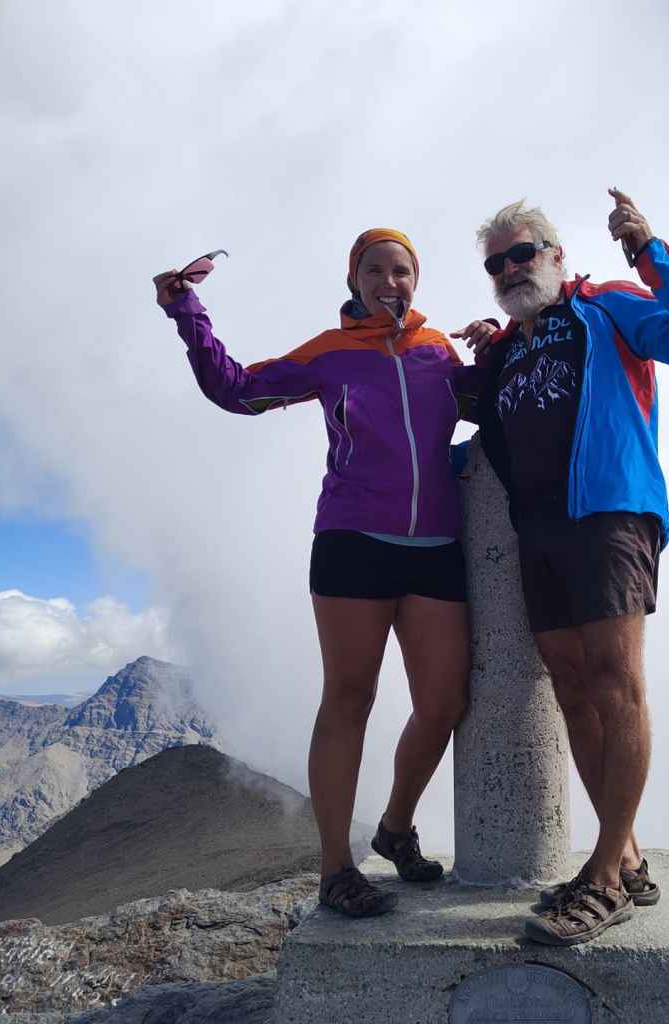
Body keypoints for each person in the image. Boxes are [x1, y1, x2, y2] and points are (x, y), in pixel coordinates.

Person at [153, 229, 495, 918]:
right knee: (349, 699)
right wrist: (187, 312)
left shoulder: (438, 351)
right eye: (375, 270)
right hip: (351, 541)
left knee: (442, 704)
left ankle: (395, 829)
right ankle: (337, 867)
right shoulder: (329, 352)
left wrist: (495, 345)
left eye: (402, 270)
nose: (390, 281)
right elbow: (237, 390)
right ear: (354, 280)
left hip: (435, 544)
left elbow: (484, 405)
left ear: (415, 280)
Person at [461, 191, 669, 946]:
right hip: (538, 528)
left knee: (615, 682)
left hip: (610, 510)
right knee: (573, 689)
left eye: (523, 254)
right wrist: (484, 353)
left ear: (555, 256)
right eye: (496, 264)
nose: (511, 269)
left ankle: (604, 876)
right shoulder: (511, 346)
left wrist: (647, 250)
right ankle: (628, 857)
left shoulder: (605, 305)